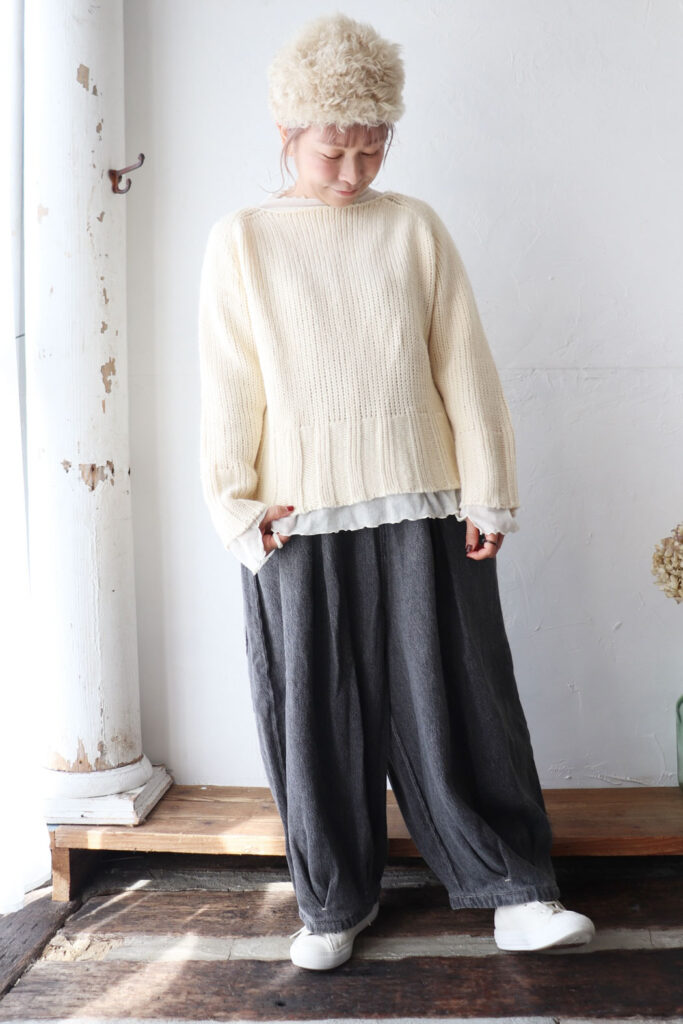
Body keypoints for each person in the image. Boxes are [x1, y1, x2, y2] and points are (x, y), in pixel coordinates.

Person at [197, 12, 595, 971]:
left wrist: (488, 492)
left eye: (372, 149)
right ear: (288, 133)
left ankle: (513, 891)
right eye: (333, 151)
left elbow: (464, 366)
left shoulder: (413, 227)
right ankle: (333, 903)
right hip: (296, 517)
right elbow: (228, 383)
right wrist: (235, 506)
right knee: (314, 713)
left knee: (459, 698)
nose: (352, 172)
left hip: (424, 500)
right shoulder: (243, 240)